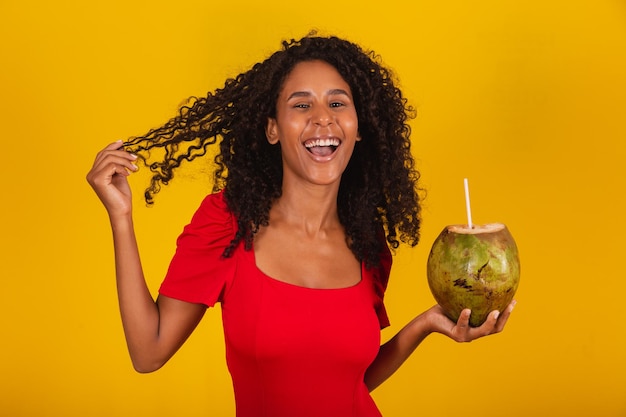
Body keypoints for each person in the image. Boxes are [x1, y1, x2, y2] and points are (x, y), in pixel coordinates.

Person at [86, 33, 515, 417]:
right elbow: (148, 352)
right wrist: (121, 217)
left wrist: (426, 324)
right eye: (301, 104)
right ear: (272, 129)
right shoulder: (229, 225)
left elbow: (346, 383)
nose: (322, 118)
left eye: (337, 103)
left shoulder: (366, 241)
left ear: (358, 127)